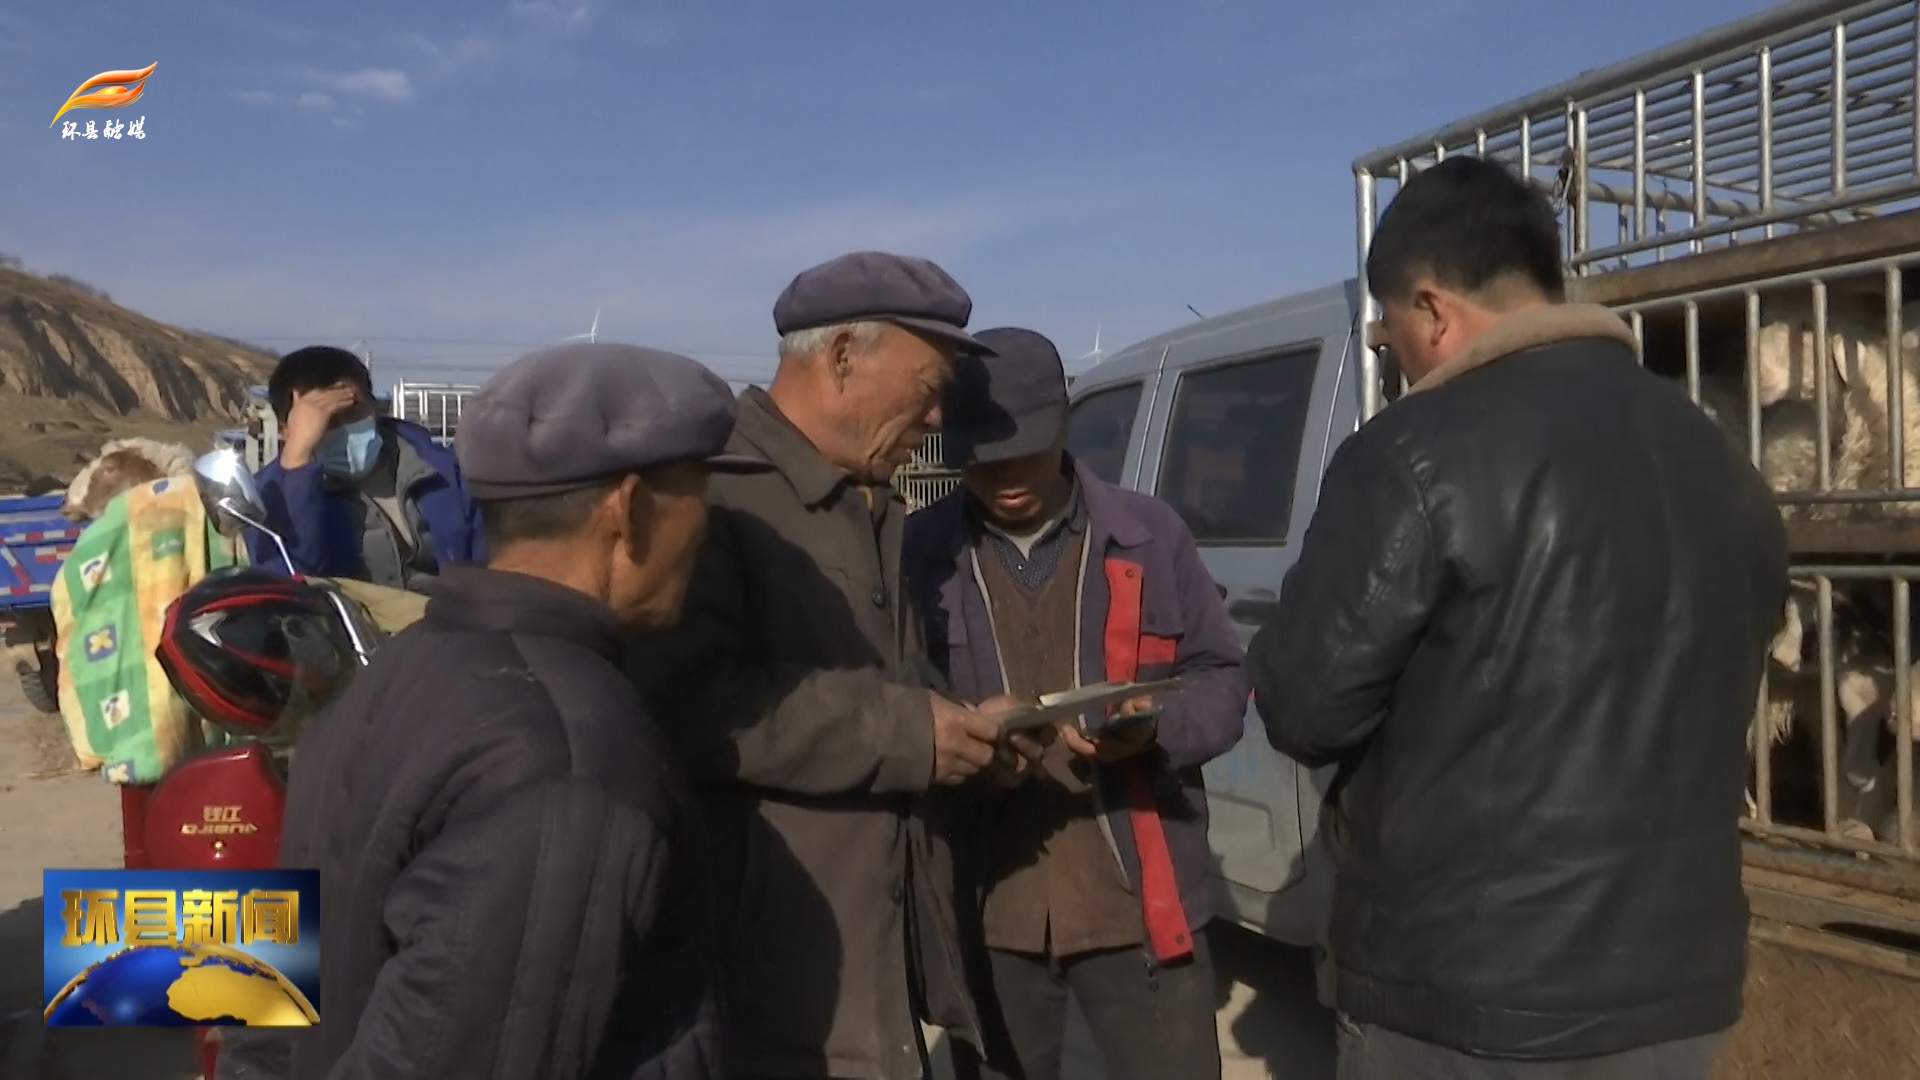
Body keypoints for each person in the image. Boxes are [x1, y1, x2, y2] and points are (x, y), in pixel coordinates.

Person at [1246, 155, 1789, 1079]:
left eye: (1389, 333)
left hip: (1467, 995)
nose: (1395, 356)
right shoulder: (1721, 460)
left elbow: (1305, 708)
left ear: (1431, 310)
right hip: (1679, 991)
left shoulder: (1412, 456)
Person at [216, 342, 764, 1080]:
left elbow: (265, 1000)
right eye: (701, 499)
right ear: (629, 510)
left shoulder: (387, 679)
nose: (707, 533)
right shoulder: (570, 754)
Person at [628, 251, 1022, 1079]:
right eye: (928, 387)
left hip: (870, 943)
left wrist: (961, 728)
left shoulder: (867, 493)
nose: (937, 417)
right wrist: (908, 734)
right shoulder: (717, 492)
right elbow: (689, 702)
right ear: (842, 357)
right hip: (773, 968)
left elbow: (884, 672)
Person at [902, 327, 1248, 1080]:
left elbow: (1222, 676)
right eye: (980, 461)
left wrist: (1154, 729)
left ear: (1063, 421)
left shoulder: (1151, 536)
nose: (1003, 477)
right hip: (991, 907)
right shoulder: (918, 555)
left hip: (1138, 906)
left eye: (1022, 452)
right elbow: (895, 702)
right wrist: (960, 743)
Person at [251, 345, 482, 589]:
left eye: (353, 413)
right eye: (325, 421)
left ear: (374, 408)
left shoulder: (442, 470)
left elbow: (487, 559)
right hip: (346, 613)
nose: (343, 428)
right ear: (286, 431)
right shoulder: (266, 498)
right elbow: (293, 580)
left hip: (450, 610)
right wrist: (297, 465)